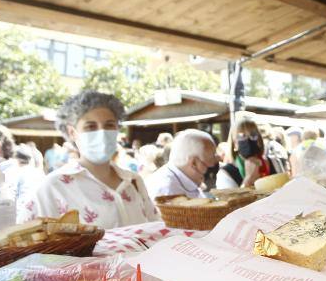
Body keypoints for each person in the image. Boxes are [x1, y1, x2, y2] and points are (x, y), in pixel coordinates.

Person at [34, 90, 160, 228]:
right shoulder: (53, 187)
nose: (102, 133)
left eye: (109, 125)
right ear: (72, 132)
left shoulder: (134, 181)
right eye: (91, 126)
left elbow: (154, 228)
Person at [146, 129, 217, 199]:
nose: (214, 164)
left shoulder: (182, 179)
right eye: (211, 160)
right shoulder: (168, 192)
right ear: (194, 163)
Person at [216, 119, 285, 189]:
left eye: (253, 135)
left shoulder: (273, 163)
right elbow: (231, 199)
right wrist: (248, 178)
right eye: (241, 136)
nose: (248, 140)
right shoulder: (226, 173)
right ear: (234, 144)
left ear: (259, 140)